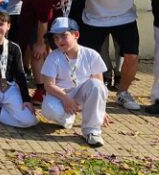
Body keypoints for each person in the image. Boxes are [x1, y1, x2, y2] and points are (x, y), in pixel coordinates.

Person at [18, 0, 87, 104]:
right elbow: (42, 21)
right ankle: (40, 88)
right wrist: (40, 43)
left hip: (57, 18)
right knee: (38, 52)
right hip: (33, 18)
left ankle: (58, 84)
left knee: (60, 49)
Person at [40, 17, 109, 148]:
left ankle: (92, 131)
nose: (59, 41)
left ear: (76, 35)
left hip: (82, 93)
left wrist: (100, 109)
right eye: (55, 38)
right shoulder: (53, 56)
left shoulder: (91, 54)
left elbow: (99, 83)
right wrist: (66, 99)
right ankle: (67, 118)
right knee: (48, 109)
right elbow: (48, 85)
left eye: (63, 36)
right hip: (61, 95)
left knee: (96, 84)